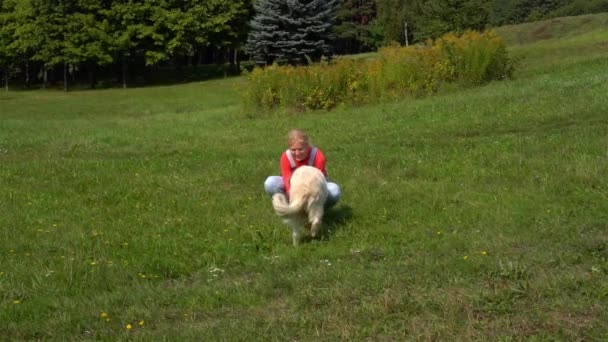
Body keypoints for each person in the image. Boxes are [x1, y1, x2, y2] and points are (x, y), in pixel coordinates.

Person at [264, 129, 341, 207]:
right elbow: (287, 180)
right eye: (293, 150)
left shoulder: (317, 156)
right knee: (270, 182)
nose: (297, 153)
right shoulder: (286, 157)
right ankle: (288, 208)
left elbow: (318, 183)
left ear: (307, 146)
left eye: (300, 149)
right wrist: (294, 200)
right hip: (294, 187)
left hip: (317, 187)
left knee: (334, 191)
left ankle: (318, 210)